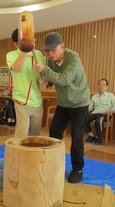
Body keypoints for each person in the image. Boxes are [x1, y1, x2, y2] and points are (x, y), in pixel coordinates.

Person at [34, 32, 90, 184]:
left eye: (53, 50)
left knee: (77, 137)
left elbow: (64, 79)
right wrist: (47, 83)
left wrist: (44, 70)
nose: (50, 53)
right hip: (64, 103)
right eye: (47, 51)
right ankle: (54, 163)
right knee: (54, 133)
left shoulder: (74, 58)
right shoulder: (51, 60)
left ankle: (77, 169)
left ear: (62, 46)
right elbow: (55, 78)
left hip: (80, 103)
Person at [6, 28, 45, 137]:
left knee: (34, 135)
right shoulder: (11, 55)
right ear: (16, 44)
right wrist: (25, 49)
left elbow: (44, 75)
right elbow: (16, 68)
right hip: (22, 102)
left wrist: (44, 83)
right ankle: (17, 154)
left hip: (37, 102)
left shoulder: (38, 54)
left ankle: (31, 154)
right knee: (21, 135)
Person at [85, 78, 115, 145]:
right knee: (82, 119)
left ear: (107, 87)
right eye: (100, 84)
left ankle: (99, 137)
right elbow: (90, 107)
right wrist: (83, 111)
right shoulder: (94, 96)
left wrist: (112, 110)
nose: (101, 86)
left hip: (105, 114)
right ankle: (91, 135)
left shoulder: (111, 95)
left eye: (103, 85)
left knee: (98, 120)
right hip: (95, 113)